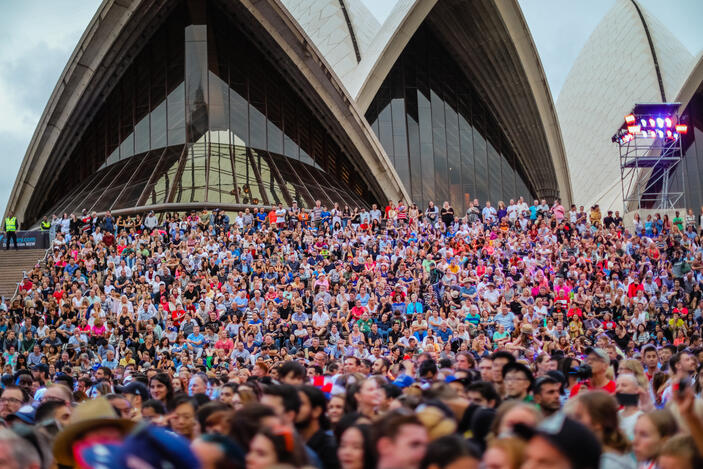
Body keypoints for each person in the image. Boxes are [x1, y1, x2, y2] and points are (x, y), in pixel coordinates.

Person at [565, 391, 635, 469]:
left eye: (578, 416)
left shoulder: (610, 464)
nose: (573, 421)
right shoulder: (594, 455)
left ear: (597, 422)